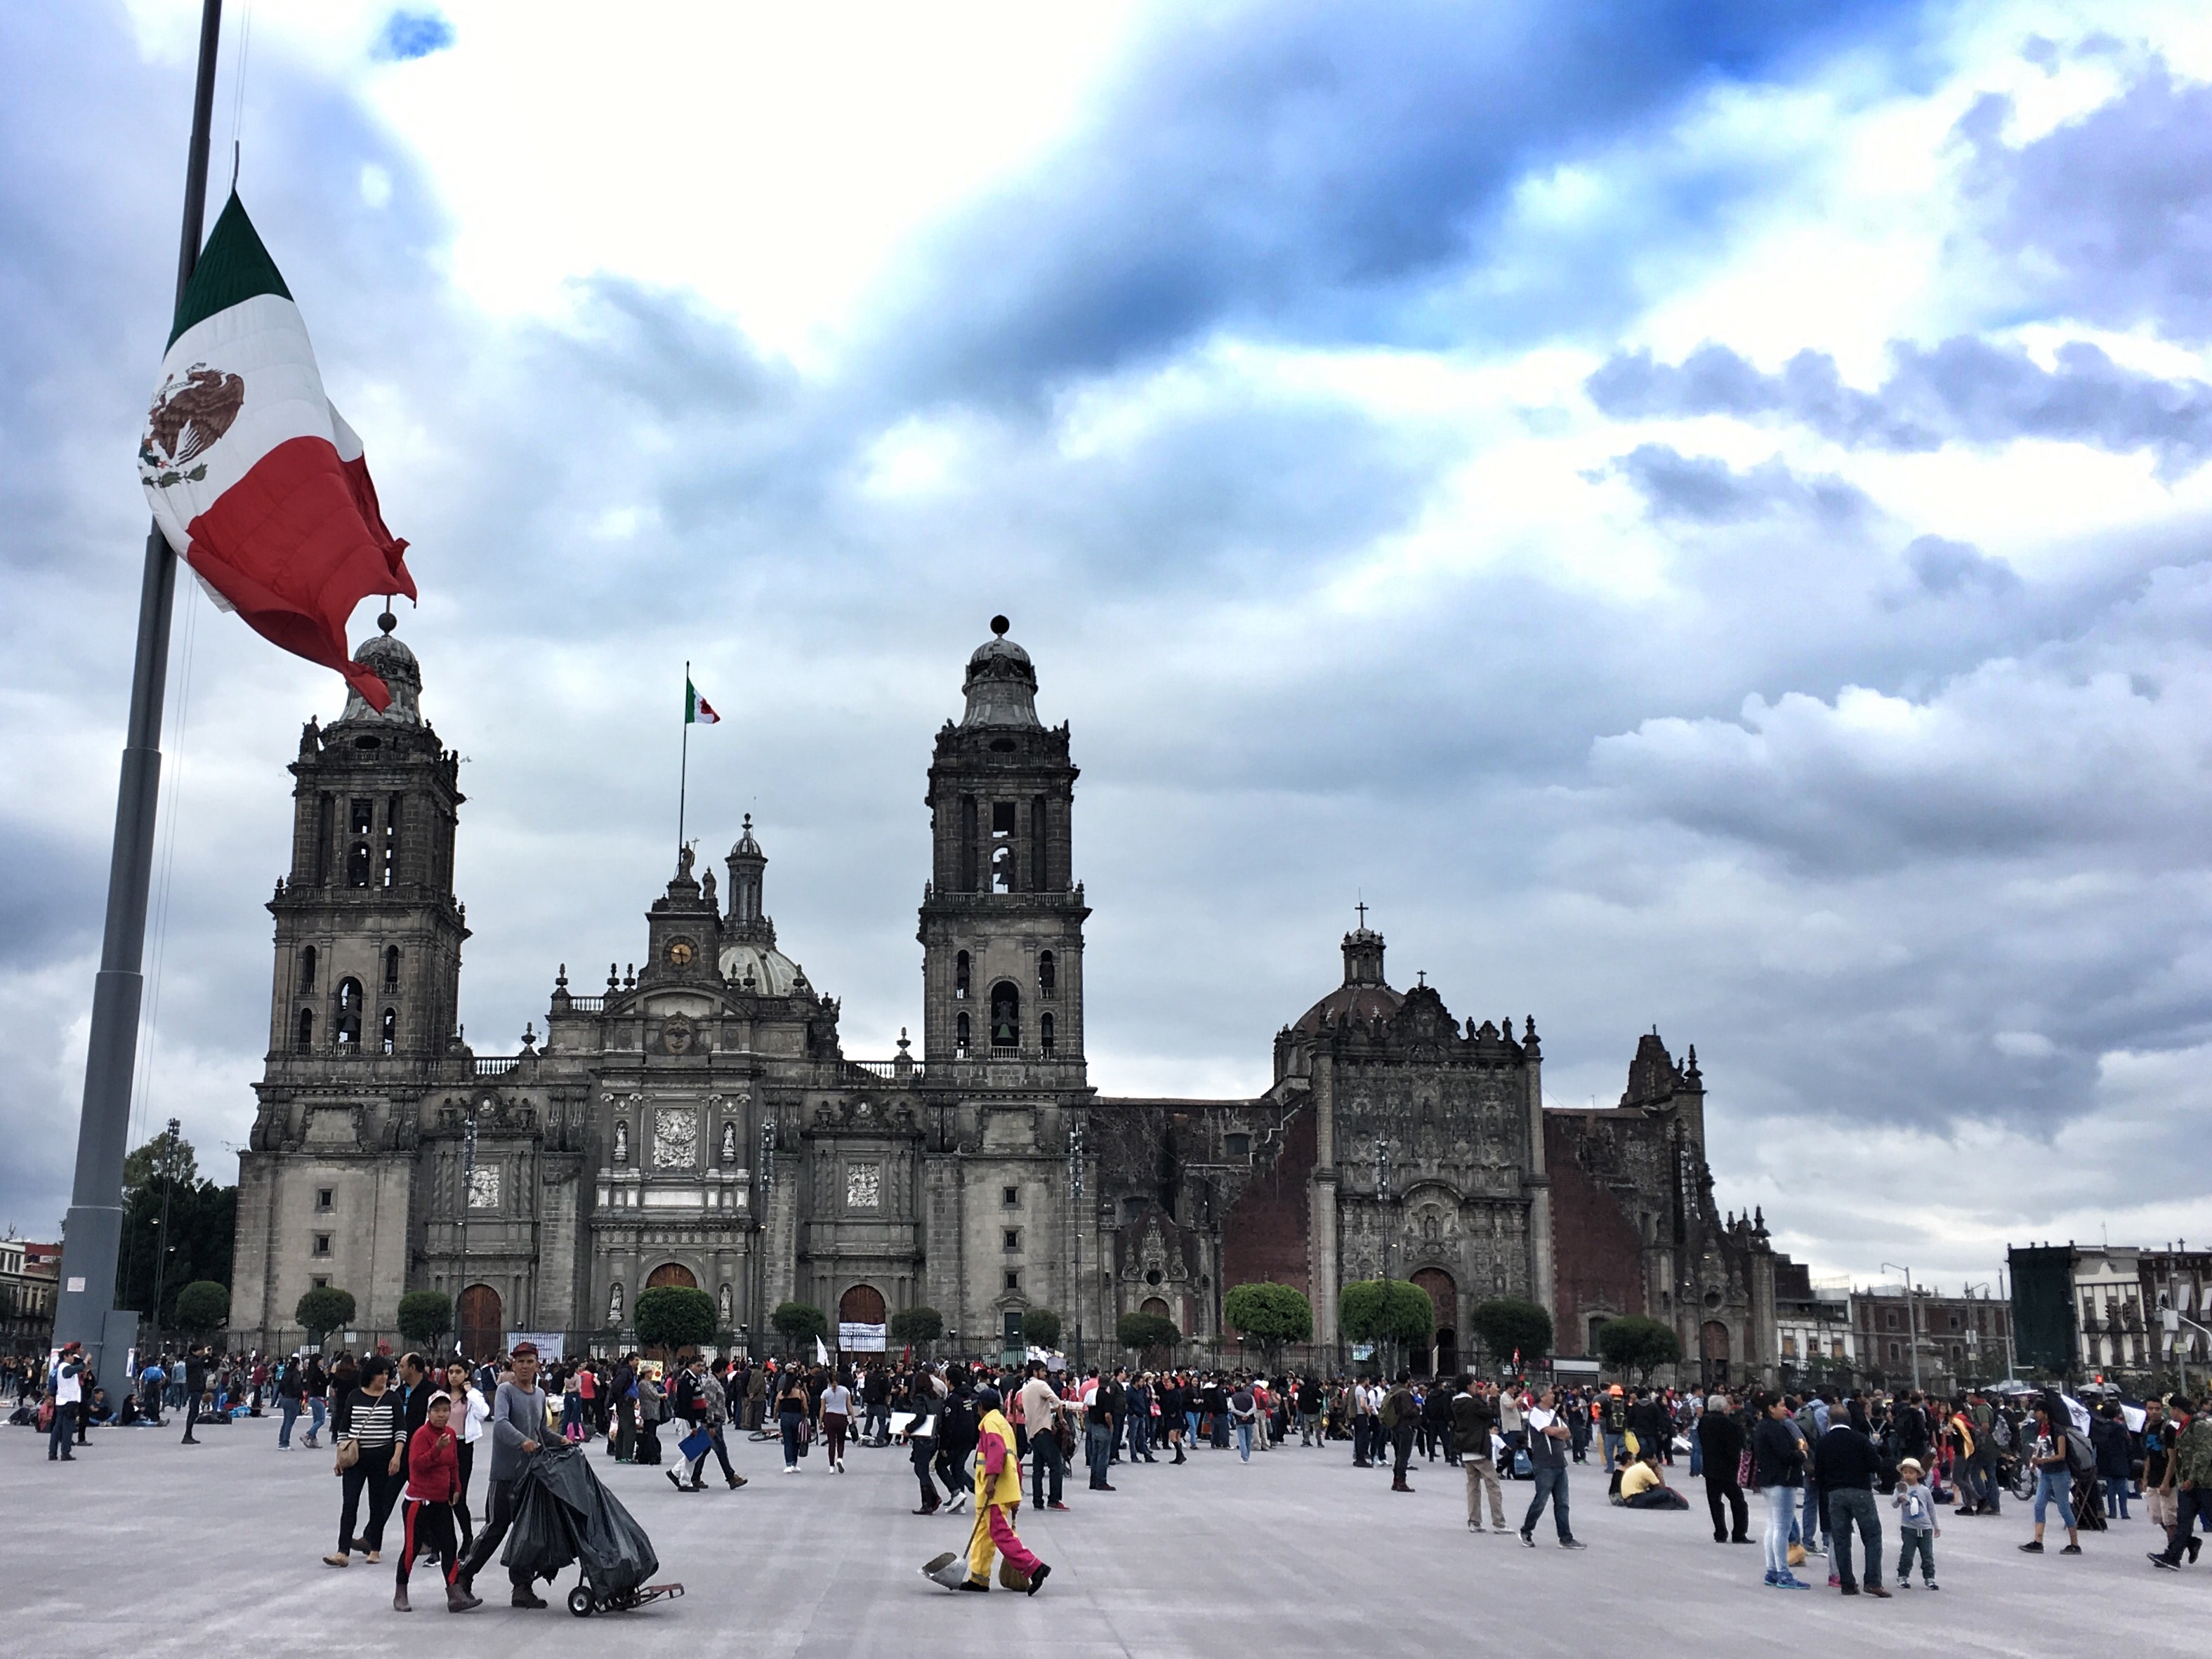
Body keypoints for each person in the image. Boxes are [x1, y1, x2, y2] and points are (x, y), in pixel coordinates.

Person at [454, 1341, 552, 1609]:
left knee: (526, 1532)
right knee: (496, 1527)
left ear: (537, 1365)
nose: (525, 1366)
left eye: (530, 1362)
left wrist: (560, 1441)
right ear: (513, 1364)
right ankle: (463, 1578)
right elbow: (501, 1424)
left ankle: (522, 1587)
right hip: (505, 1474)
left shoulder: (540, 1394)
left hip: (530, 1476)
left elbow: (541, 1430)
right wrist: (523, 1442)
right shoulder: (506, 1391)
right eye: (520, 1362)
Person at [947, 1385, 1050, 1595]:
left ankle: (1035, 1567)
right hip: (1005, 1486)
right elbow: (1013, 1458)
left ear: (982, 1407)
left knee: (999, 1533)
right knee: (984, 1534)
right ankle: (979, 1578)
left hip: (996, 1488)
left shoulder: (991, 1423)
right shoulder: (1003, 1423)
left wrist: (991, 1481)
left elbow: (996, 1452)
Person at [393, 1392, 482, 1613]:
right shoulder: (421, 1435)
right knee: (412, 1549)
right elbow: (416, 1465)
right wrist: (437, 1450)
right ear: (429, 1412)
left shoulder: (450, 1434)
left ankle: (454, 1593)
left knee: (449, 1545)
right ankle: (401, 1592)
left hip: (442, 1501)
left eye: (445, 1410)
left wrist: (456, 1488)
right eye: (436, 1410)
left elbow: (453, 1465)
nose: (441, 1415)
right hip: (419, 1502)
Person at [327, 1354, 405, 1568]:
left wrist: (397, 1457)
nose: (384, 1377)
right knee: (349, 1503)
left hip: (381, 1457)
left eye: (387, 1373)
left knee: (376, 1504)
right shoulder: (355, 1396)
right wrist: (340, 1458)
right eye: (381, 1373)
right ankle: (342, 1551)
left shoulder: (392, 1398)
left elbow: (400, 1431)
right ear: (370, 1374)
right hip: (356, 1459)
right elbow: (344, 1429)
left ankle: (375, 1548)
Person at [1814, 1402, 1890, 1596]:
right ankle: (1872, 1581)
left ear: (1829, 1420)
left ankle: (1847, 1582)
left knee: (1841, 1538)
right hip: (1860, 1491)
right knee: (1872, 1536)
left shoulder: (1824, 1442)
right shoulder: (1860, 1439)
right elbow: (1874, 1465)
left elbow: (1818, 1473)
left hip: (1835, 1493)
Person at [1752, 1393, 1812, 1589]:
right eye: (1781, 1405)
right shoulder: (1776, 1429)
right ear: (1771, 1408)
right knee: (1782, 1527)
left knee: (1773, 1525)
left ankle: (1772, 1570)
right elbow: (1785, 1456)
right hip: (1782, 1480)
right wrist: (1802, 1454)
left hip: (1768, 1479)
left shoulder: (1761, 1427)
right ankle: (1783, 1572)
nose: (1785, 1409)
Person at [2150, 1394, 2212, 1571]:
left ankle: (2176, 1553)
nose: (2170, 1412)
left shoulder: (2199, 1426)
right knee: (2183, 1521)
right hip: (2189, 1483)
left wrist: (2192, 1477)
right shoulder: (2184, 1427)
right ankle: (2173, 1557)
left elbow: (2205, 1454)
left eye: (2170, 1409)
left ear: (2177, 1409)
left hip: (2206, 1482)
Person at [1518, 1386, 1583, 1549]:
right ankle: (1526, 1530)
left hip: (1559, 1462)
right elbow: (1548, 1430)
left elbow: (1566, 1433)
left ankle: (1565, 1537)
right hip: (1544, 1462)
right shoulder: (1536, 1414)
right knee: (1541, 1500)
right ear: (1541, 1397)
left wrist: (1558, 1431)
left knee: (1562, 1503)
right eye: (1549, 1393)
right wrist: (1557, 1431)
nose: (1553, 1396)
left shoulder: (1553, 1414)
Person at [2020, 1400, 2083, 1556]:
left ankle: (2075, 1543)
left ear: (2045, 1413)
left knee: (2063, 1506)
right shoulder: (2041, 1429)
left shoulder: (2058, 1430)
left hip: (2060, 1472)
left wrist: (2043, 1461)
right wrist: (2035, 1460)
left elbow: (2061, 1455)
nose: (2035, 1414)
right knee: (2039, 1505)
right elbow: (2039, 1447)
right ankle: (2038, 1541)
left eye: (2037, 1411)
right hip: (2046, 1472)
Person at [1451, 1377, 1506, 1533]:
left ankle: (1474, 1521)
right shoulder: (1473, 1403)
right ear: (1469, 1386)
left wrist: (1482, 1397)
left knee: (1473, 1486)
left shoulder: (1456, 1403)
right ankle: (1499, 1522)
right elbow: (1492, 1414)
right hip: (1479, 1446)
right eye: (1475, 1385)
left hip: (1465, 1446)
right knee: (1493, 1485)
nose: (1477, 1387)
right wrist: (1493, 1397)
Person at [1698, 1392, 1749, 1543]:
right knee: (1738, 1501)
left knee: (1715, 1502)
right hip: (1727, 1469)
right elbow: (1736, 1446)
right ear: (1723, 1408)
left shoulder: (1704, 1422)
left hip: (1710, 1467)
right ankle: (1739, 1533)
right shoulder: (1730, 1424)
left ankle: (1720, 1532)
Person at [1020, 1363, 1069, 1512]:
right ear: (1035, 1372)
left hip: (1033, 1432)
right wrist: (1061, 1419)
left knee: (1038, 1468)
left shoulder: (1026, 1388)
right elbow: (1057, 1402)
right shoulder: (1041, 1385)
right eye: (1042, 1371)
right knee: (1056, 1465)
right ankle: (1054, 1499)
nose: (1045, 1374)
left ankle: (1038, 1500)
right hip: (1043, 1431)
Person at [1891, 1456, 1940, 1589]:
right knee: (1907, 1553)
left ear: (1918, 1474)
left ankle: (1930, 1578)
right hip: (1908, 1527)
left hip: (1925, 1527)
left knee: (1927, 1555)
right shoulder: (1900, 1488)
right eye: (1905, 1472)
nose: (1908, 1475)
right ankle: (1903, 1576)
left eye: (1911, 1473)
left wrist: (1936, 1526)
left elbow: (1931, 1508)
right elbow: (1894, 1504)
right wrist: (1899, 1499)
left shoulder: (1924, 1490)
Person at [1616, 1449, 1688, 1509]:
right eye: (1654, 1459)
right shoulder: (1646, 1470)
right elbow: (1662, 1488)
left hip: (1629, 1499)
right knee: (1666, 1493)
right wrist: (1660, 1475)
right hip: (1635, 1500)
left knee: (1659, 1494)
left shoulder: (1639, 1466)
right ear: (1648, 1460)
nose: (1657, 1461)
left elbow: (1653, 1488)